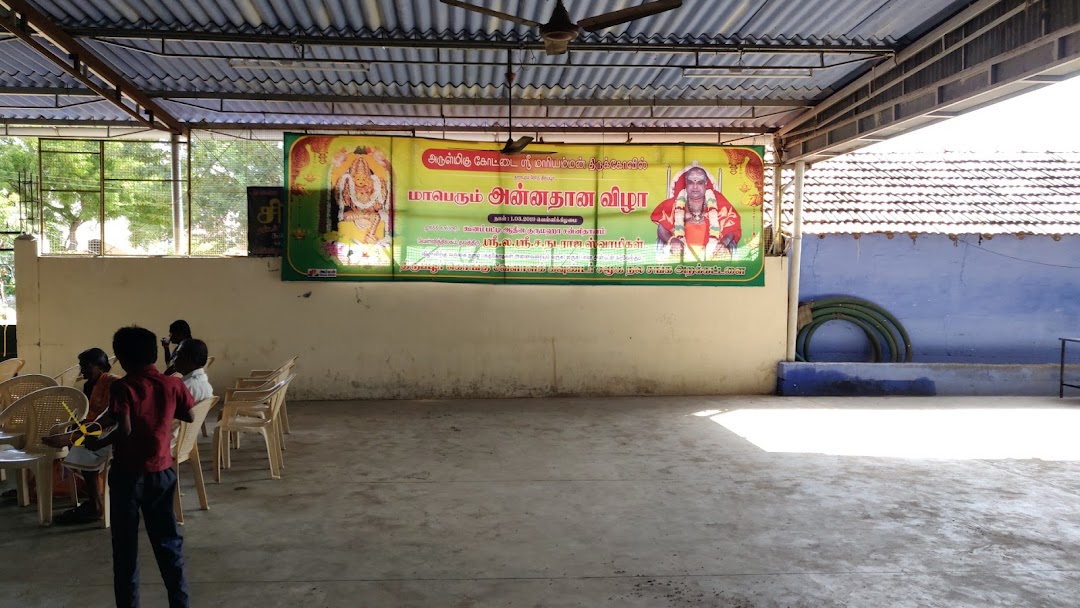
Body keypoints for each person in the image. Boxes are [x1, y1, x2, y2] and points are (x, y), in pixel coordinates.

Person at [49, 326, 194, 608]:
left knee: (125, 550)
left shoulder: (123, 386)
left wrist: (93, 443)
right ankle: (180, 603)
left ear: (122, 360)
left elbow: (123, 429)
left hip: (128, 476)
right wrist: (160, 411)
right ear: (154, 354)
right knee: (168, 545)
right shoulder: (173, 384)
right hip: (163, 473)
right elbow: (187, 414)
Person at [52, 348, 119, 525]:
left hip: (108, 431)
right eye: (81, 367)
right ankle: (90, 497)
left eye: (86, 366)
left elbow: (110, 416)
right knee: (59, 444)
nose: (83, 371)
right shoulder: (90, 385)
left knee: (83, 447)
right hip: (93, 427)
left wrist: (77, 433)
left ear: (100, 366)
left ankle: (95, 504)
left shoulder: (114, 383)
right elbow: (87, 413)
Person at [650, 163, 742, 261]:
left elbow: (732, 229)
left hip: (712, 258)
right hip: (680, 258)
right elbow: (661, 227)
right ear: (686, 183)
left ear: (706, 183)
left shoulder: (718, 201)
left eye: (699, 183)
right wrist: (671, 240)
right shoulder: (675, 202)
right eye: (690, 182)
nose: (695, 187)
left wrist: (724, 242)